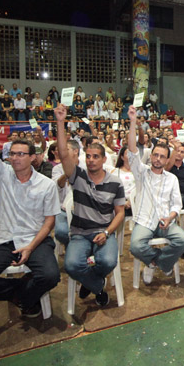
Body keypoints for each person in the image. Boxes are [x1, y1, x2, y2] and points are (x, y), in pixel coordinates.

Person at [0, 89, 61, 318]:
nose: (15, 158)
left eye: (21, 154)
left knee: (50, 276)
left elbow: (49, 222)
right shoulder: (3, 174)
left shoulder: (46, 185)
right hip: (6, 241)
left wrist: (31, 247)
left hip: (36, 240)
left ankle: (24, 295)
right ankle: (21, 293)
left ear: (33, 157)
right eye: (12, 154)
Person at [54, 104, 125, 305]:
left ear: (104, 159)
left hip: (104, 231)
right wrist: (60, 122)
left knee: (108, 261)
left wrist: (108, 232)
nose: (91, 160)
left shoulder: (115, 182)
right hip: (79, 233)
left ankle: (88, 281)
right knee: (71, 265)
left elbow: (120, 213)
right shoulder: (77, 176)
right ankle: (97, 285)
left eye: (96, 157)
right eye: (88, 156)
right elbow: (63, 153)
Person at [125, 106, 184, 284]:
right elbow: (132, 151)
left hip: (164, 221)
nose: (158, 159)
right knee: (135, 246)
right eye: (155, 155)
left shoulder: (171, 179)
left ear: (167, 160)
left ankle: (158, 262)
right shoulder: (141, 172)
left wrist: (170, 217)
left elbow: (176, 204)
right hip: (145, 221)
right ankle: (157, 262)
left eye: (162, 156)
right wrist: (133, 122)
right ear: (151, 156)